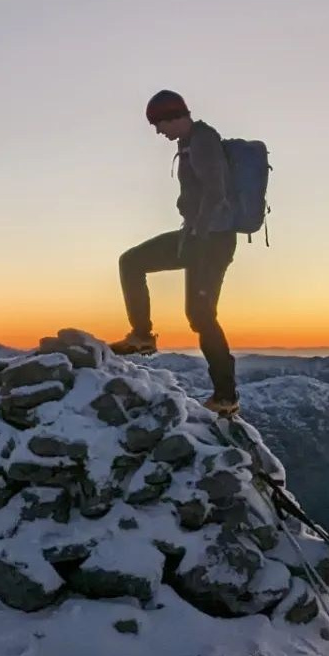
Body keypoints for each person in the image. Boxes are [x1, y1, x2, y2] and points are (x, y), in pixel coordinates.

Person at [110, 89, 241, 416]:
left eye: (159, 124)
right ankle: (142, 336)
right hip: (195, 236)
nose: (158, 131)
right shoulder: (189, 143)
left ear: (175, 116)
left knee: (201, 316)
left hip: (211, 240)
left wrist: (199, 231)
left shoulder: (204, 140)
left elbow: (216, 190)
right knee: (132, 261)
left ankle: (226, 396)